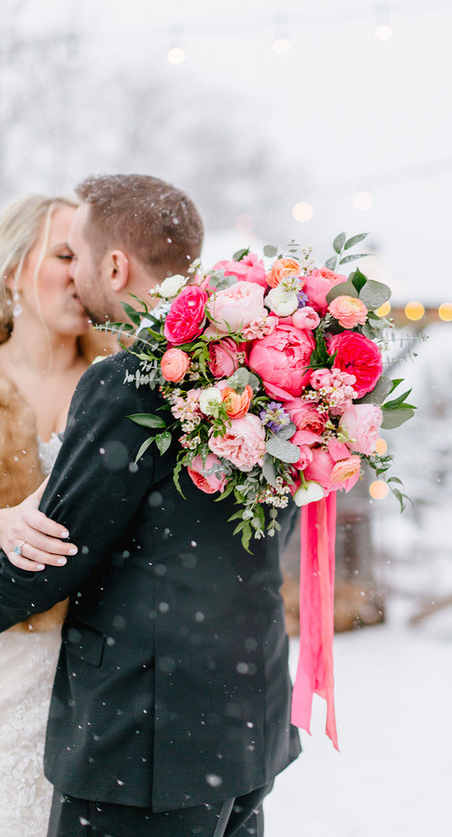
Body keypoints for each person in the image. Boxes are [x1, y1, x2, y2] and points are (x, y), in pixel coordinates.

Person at [0, 174, 301, 837]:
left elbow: (59, 553)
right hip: (238, 721)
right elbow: (264, 530)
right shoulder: (259, 372)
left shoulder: (128, 379)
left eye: (76, 254)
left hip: (141, 737)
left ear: (114, 266)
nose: (74, 274)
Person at [0, 194, 115, 836]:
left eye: (90, 257)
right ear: (13, 268)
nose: (80, 274)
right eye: (64, 254)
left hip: (102, 673)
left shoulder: (128, 385)